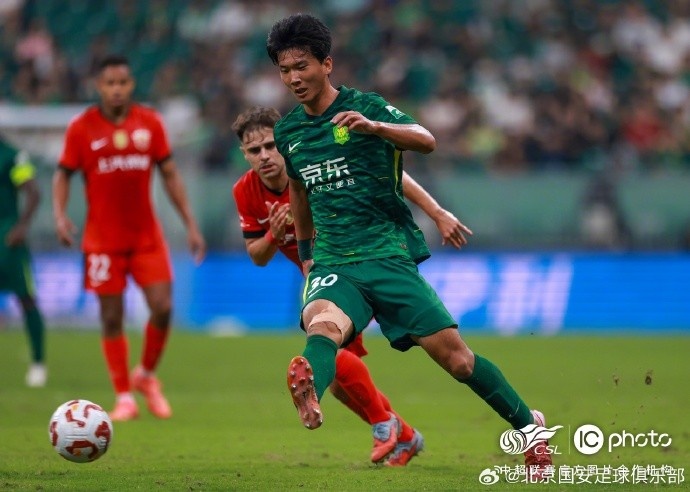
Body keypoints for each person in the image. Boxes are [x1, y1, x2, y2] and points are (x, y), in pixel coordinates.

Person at [266, 14, 553, 479]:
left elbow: (427, 140)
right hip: (335, 259)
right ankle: (310, 390)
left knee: (459, 362)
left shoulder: (364, 106)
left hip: (386, 254)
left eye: (302, 66)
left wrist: (376, 128)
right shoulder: (289, 132)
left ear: (326, 64)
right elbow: (299, 191)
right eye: (284, 70)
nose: (294, 78)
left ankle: (531, 429)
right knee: (323, 325)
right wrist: (306, 253)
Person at [231, 106, 471, 466]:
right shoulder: (245, 191)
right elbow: (258, 256)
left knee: (331, 353)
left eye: (270, 146)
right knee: (337, 380)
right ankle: (403, 434)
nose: (264, 156)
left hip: (357, 266)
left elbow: (394, 176)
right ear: (244, 154)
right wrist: (272, 235)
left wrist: (436, 212)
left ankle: (386, 424)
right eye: (254, 150)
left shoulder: (312, 164)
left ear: (283, 142)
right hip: (321, 280)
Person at [52, 55, 206, 422]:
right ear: (99, 86)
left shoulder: (150, 123)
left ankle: (146, 375)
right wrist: (59, 215)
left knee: (163, 308)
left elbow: (170, 174)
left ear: (131, 84)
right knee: (111, 317)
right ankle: (124, 396)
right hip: (102, 241)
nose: (117, 89)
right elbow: (62, 174)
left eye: (122, 82)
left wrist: (190, 223)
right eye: (110, 83)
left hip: (146, 237)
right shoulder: (82, 128)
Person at [0, 135, 47, 387]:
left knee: (26, 298)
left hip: (8, 240)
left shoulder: (12, 156)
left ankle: (38, 363)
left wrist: (21, 226)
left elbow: (33, 191)